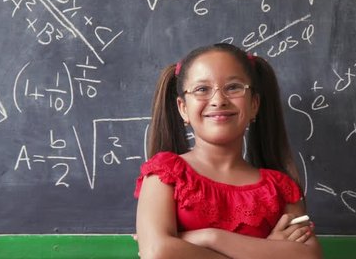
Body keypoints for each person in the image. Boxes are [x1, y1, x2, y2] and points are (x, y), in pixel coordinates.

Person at [134, 43, 322, 259]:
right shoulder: (165, 175)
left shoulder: (279, 189)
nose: (218, 100)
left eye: (233, 87)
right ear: (183, 108)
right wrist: (267, 251)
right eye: (202, 89)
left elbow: (308, 256)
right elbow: (158, 252)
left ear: (254, 104)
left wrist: (210, 237)